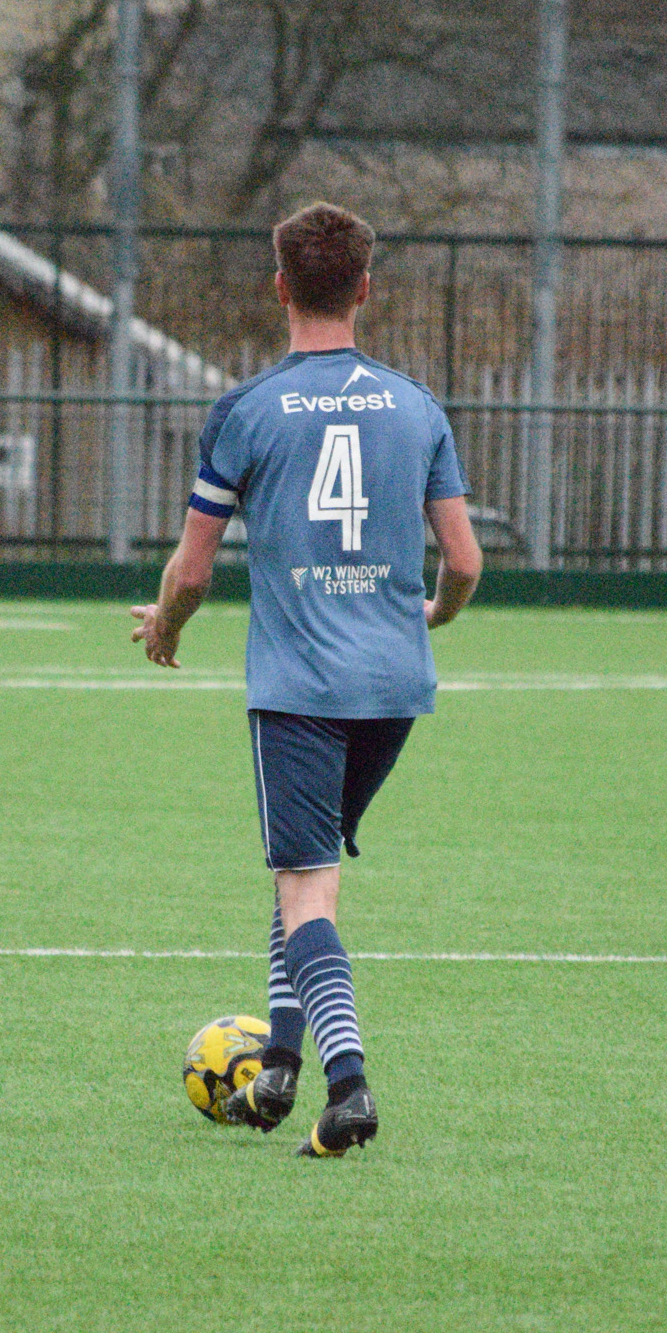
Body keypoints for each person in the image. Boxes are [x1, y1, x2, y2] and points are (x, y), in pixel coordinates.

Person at [133, 202, 483, 1156]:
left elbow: (194, 570)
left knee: (305, 888)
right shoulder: (416, 405)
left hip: (299, 685)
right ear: (366, 288)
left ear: (279, 286)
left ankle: (350, 1083)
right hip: (395, 687)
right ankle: (278, 1067)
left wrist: (165, 624)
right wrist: (436, 617)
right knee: (302, 878)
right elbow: (463, 561)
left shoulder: (246, 409)